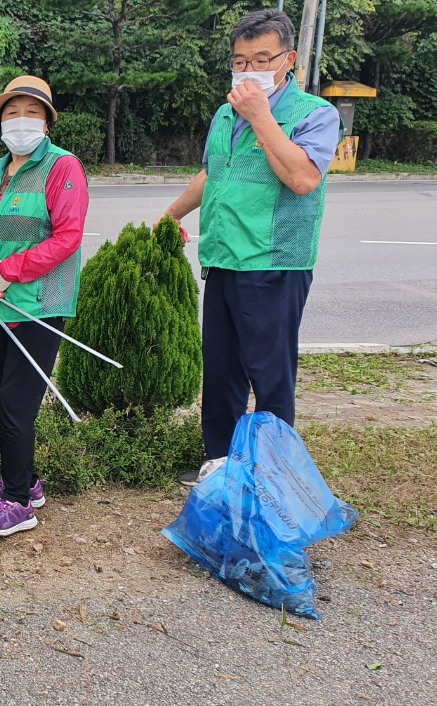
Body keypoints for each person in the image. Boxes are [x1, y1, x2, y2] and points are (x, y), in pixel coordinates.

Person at [163, 9, 341, 487]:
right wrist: (172, 214)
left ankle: (274, 473)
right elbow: (212, 173)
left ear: (289, 60)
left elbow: (303, 178)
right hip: (223, 260)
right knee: (221, 374)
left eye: (262, 58)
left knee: (270, 377)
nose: (249, 70)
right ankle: (221, 464)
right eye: (240, 61)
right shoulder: (225, 113)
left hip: (275, 265)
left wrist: (261, 117)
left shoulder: (314, 114)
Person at [0, 75, 90, 537]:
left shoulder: (62, 168)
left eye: (31, 112)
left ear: (48, 120)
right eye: (12, 112)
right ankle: (25, 481)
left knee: (16, 403)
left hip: (38, 304)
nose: (21, 120)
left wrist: (7, 271)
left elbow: (67, 237)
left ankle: (18, 504)